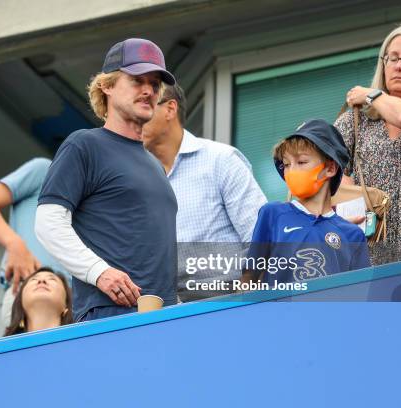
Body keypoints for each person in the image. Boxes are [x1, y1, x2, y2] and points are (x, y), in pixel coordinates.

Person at [35, 38, 178, 322]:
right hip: (109, 316)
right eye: (137, 80)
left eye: (155, 84)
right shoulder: (85, 145)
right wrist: (99, 272)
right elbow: (48, 223)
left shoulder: (154, 165)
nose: (149, 90)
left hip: (163, 319)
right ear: (107, 85)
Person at [142, 84, 267, 301]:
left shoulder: (221, 160)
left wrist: (243, 300)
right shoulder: (137, 179)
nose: (135, 118)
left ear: (170, 109)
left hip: (231, 302)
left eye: (145, 106)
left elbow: (261, 238)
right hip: (171, 312)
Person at [242, 120, 370, 286]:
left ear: (330, 168)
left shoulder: (353, 235)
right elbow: (247, 279)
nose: (291, 171)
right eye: (286, 164)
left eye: (301, 162)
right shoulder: (273, 214)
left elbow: (359, 297)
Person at [337, 24, 401, 263]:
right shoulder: (356, 121)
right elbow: (331, 174)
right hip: (369, 256)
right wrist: (348, 204)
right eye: (392, 58)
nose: (399, 66)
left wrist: (373, 95)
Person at [0, 158, 68, 328]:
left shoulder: (95, 199)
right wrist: (14, 243)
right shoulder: (45, 171)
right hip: (25, 290)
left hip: (71, 302)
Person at [4, 267, 73, 336]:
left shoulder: (81, 341)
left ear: (66, 303)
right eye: (34, 279)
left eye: (52, 279)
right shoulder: (3, 346)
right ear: (20, 302)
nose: (41, 280)